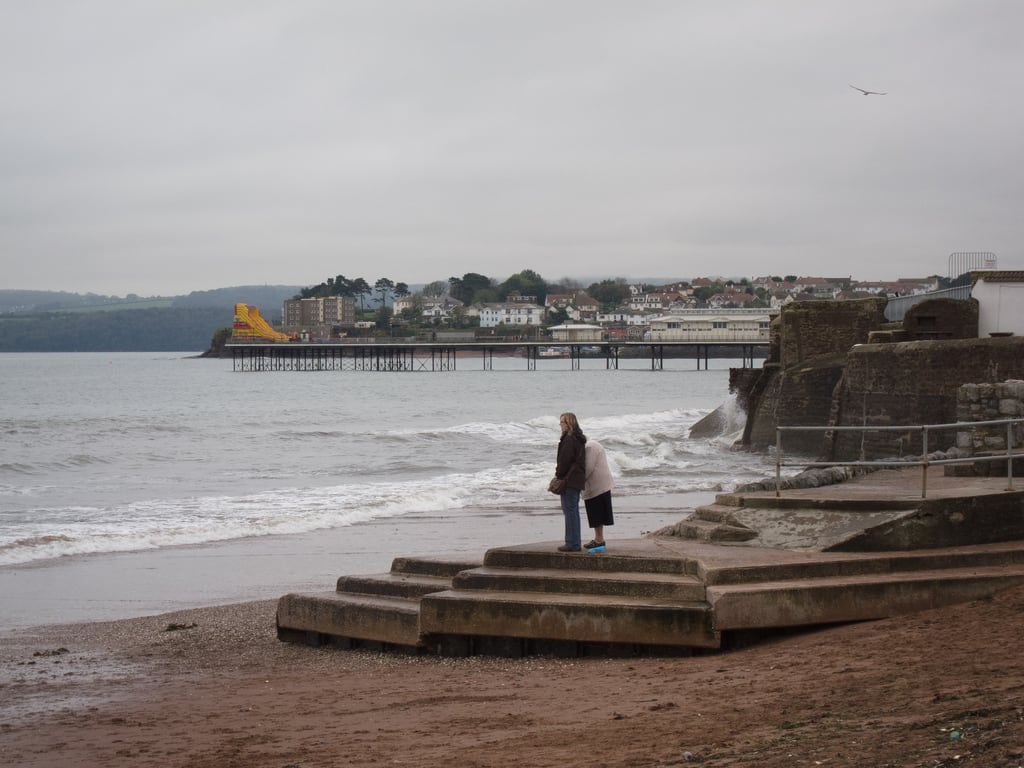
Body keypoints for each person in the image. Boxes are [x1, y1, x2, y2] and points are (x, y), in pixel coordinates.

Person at [554, 412, 587, 552]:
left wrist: (558, 475)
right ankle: (574, 542)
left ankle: (572, 543)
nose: (560, 424)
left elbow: (565, 461)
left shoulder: (568, 440)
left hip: (570, 479)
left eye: (562, 422)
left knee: (570, 511)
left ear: (569, 424)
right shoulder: (579, 439)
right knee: (572, 511)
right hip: (577, 478)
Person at [582, 439, 614, 553]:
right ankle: (598, 538)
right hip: (600, 483)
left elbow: (588, 467)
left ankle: (599, 539)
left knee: (596, 513)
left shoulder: (590, 447)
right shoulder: (592, 445)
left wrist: (578, 481)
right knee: (598, 513)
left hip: (597, 484)